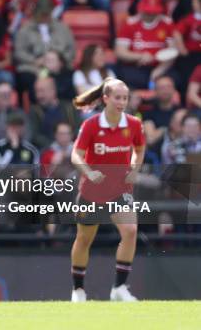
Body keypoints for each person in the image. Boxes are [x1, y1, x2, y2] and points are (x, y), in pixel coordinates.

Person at [70, 78, 146, 302]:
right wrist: (89, 173)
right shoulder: (92, 125)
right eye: (117, 98)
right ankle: (78, 290)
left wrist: (135, 167)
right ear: (105, 99)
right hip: (92, 191)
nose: (122, 102)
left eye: (125, 98)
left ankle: (119, 288)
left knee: (130, 231)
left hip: (119, 189)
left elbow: (140, 149)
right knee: (84, 239)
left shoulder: (133, 124)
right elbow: (76, 155)